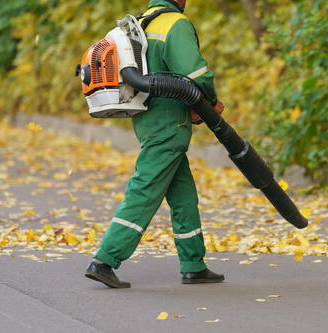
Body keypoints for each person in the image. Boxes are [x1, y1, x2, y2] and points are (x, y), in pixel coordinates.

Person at [85, 0, 225, 288]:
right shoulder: (175, 23)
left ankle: (193, 264)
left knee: (183, 194)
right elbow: (197, 74)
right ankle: (105, 260)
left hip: (146, 118)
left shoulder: (141, 22)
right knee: (145, 189)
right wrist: (210, 103)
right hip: (169, 122)